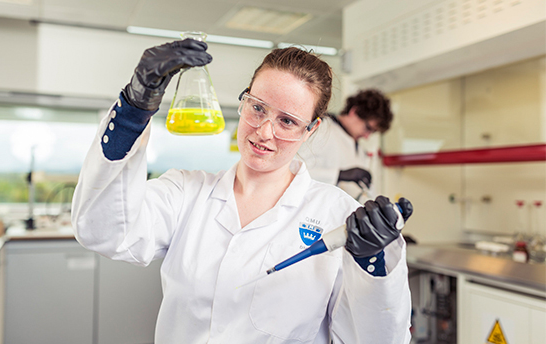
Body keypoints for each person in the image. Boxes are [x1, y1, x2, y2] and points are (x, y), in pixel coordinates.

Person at [72, 38, 413, 343]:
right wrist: (134, 107)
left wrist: (373, 261)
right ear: (243, 102)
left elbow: (377, 338)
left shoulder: (336, 215)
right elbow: (103, 230)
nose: (264, 132)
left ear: (310, 130)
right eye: (258, 108)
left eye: (287, 121)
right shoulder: (186, 192)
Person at [298, 89, 393, 202]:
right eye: (368, 128)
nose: (367, 136)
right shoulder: (321, 128)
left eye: (372, 132)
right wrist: (339, 175)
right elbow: (291, 170)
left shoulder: (360, 151)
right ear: (354, 111)